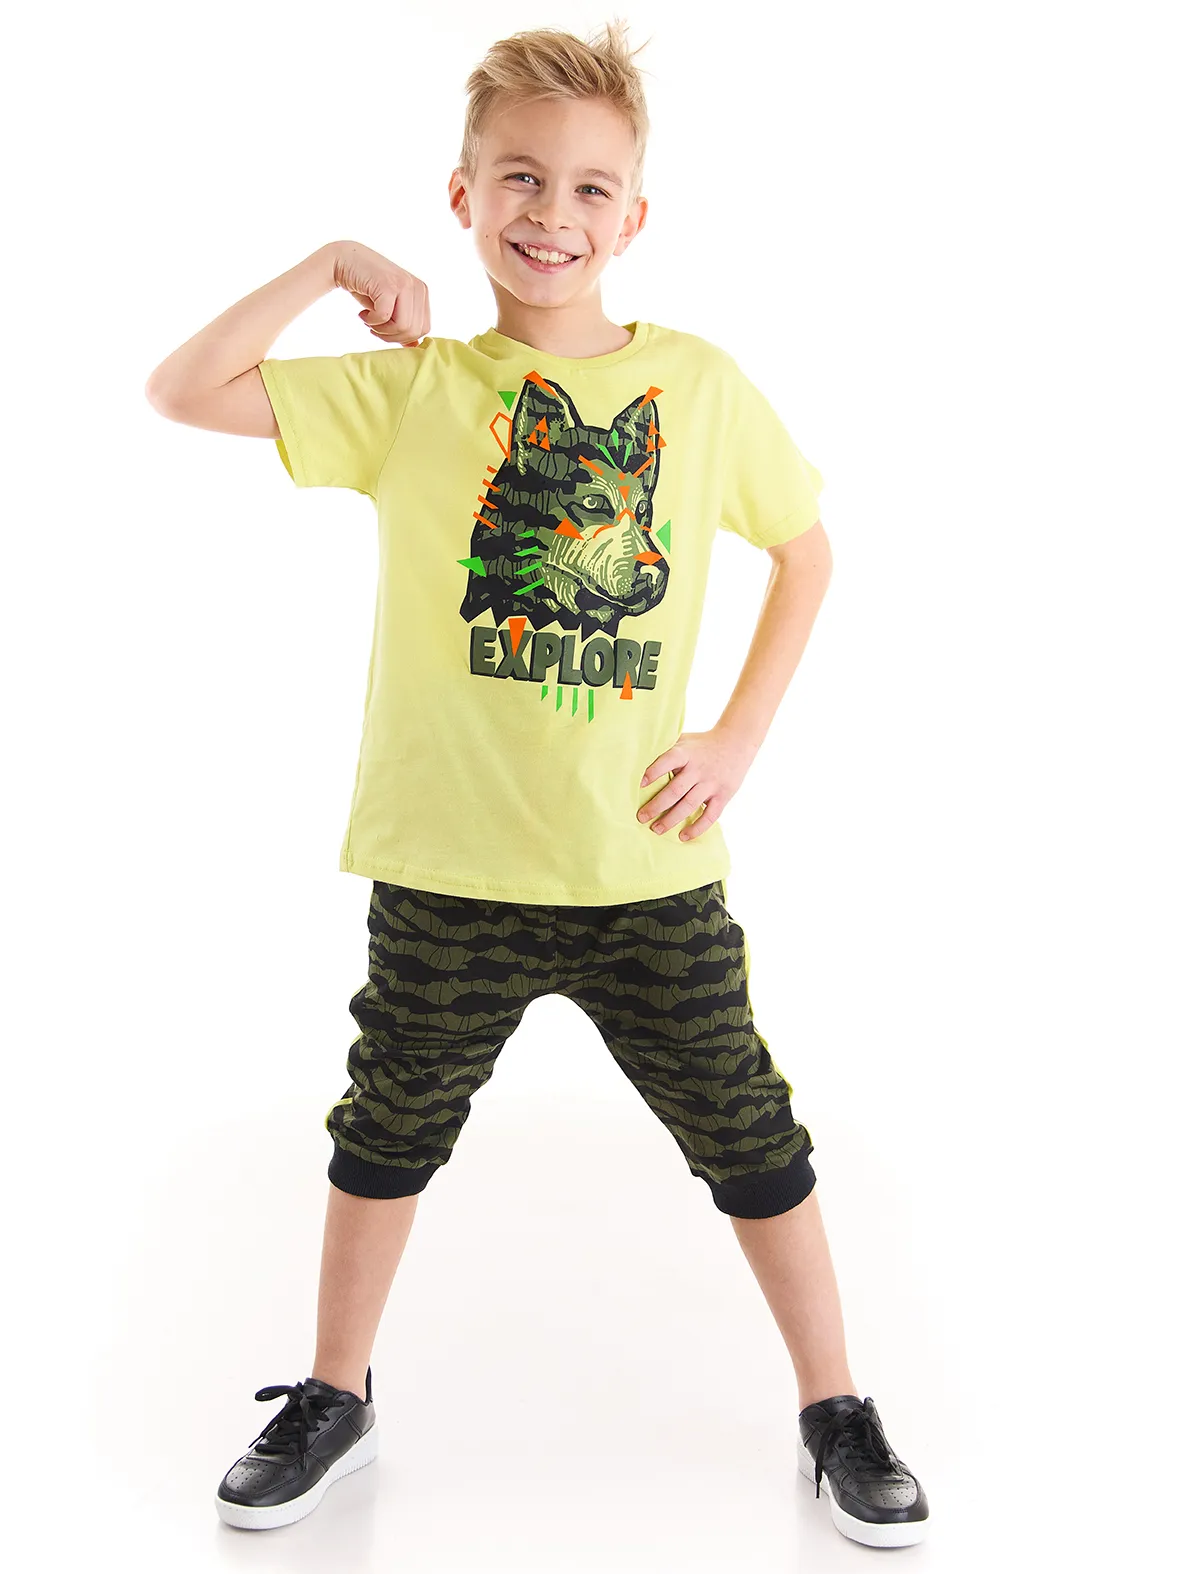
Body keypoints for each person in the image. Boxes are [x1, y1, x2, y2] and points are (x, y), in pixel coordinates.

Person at [145, 19, 928, 1550]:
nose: (550, 214)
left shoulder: (698, 387)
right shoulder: (416, 392)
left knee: (752, 1135)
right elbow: (182, 388)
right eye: (519, 177)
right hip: (447, 866)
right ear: (462, 195)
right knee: (384, 1127)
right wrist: (327, 263)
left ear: (633, 217)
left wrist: (738, 737)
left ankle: (835, 1404)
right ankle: (336, 1393)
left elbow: (808, 552)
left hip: (644, 868)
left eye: (587, 188)